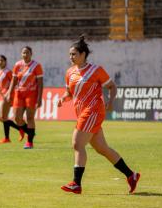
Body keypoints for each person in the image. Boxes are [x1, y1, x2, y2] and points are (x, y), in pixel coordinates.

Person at [58, 36, 140, 194]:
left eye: (74, 54)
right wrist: (63, 98)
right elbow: (69, 93)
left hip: (93, 110)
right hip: (83, 112)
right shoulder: (69, 72)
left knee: (77, 143)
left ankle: (76, 183)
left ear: (83, 54)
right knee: (102, 148)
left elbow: (112, 86)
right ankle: (131, 175)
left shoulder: (96, 70)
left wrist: (111, 101)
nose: (71, 57)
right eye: (70, 54)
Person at [6, 46, 43, 149]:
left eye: (27, 53)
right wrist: (9, 93)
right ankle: (29, 132)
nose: (25, 55)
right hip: (19, 93)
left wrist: (39, 98)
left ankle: (29, 142)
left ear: (31, 54)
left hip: (31, 94)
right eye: (23, 53)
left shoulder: (36, 66)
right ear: (21, 54)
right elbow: (13, 80)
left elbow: (40, 83)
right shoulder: (17, 65)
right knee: (17, 118)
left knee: (30, 117)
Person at [0, 54, 24, 144]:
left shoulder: (8, 72)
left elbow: (14, 82)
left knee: (3, 117)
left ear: (5, 62)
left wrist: (10, 93)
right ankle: (8, 137)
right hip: (3, 96)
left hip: (8, 96)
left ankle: (20, 130)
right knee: (3, 118)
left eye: (1, 60)